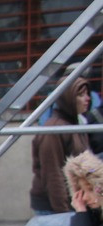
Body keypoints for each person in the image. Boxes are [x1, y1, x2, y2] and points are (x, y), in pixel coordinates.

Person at [31, 75, 90, 215]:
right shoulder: (55, 129)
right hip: (54, 207)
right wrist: (64, 212)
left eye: (87, 93)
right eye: (80, 95)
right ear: (68, 97)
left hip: (71, 202)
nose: (87, 98)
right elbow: (53, 175)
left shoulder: (75, 124)